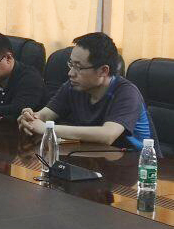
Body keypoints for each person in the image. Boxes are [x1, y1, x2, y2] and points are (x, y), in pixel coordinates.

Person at [18, 32, 158, 150]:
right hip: (97, 159)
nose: (71, 73)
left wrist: (47, 129)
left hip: (139, 167)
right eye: (71, 64)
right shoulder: (72, 86)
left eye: (78, 67)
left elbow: (108, 135)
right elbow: (45, 115)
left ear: (103, 70)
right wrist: (30, 118)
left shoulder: (127, 93)